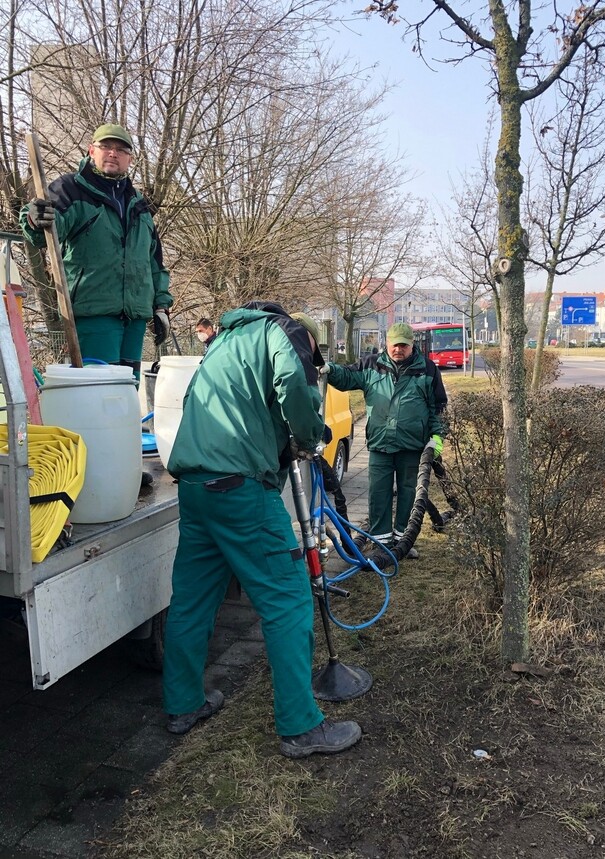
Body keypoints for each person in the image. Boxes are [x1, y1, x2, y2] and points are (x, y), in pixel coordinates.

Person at [162, 300, 362, 758]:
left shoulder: (225, 341)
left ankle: (183, 704)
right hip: (241, 490)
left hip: (194, 485)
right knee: (288, 599)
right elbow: (294, 384)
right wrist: (308, 436)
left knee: (192, 601)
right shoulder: (284, 332)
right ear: (307, 339)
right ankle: (300, 726)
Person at [20, 123, 173, 381]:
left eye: (121, 150)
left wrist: (161, 306)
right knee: (98, 388)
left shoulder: (139, 204)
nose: (113, 153)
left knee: (127, 389)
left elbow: (154, 261)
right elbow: (45, 229)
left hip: (134, 318)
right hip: (93, 313)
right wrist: (34, 218)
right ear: (92, 150)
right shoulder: (70, 190)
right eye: (106, 147)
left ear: (130, 159)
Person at [322, 322, 447, 558]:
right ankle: (381, 543)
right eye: (394, 345)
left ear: (412, 345)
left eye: (403, 345)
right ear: (386, 343)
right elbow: (346, 376)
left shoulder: (427, 369)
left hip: (413, 445)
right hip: (380, 444)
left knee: (409, 493)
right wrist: (328, 369)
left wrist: (437, 437)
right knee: (378, 493)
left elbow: (438, 407)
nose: (398, 349)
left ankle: (403, 542)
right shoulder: (371, 365)